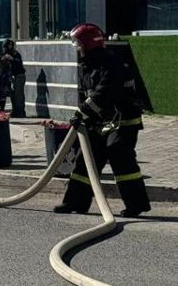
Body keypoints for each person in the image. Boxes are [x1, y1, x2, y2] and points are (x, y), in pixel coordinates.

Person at [54, 23, 151, 219]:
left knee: (121, 158)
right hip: (100, 121)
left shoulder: (111, 64)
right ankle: (75, 202)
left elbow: (103, 93)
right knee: (85, 160)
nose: (76, 47)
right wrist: (84, 115)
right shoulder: (87, 64)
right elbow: (87, 94)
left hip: (122, 121)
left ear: (88, 44)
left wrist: (82, 112)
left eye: (78, 43)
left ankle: (136, 205)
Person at [2, 39, 27, 118]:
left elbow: (18, 63)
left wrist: (12, 59)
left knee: (18, 95)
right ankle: (15, 111)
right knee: (12, 95)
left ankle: (20, 112)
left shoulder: (15, 54)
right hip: (12, 76)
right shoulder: (6, 54)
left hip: (19, 75)